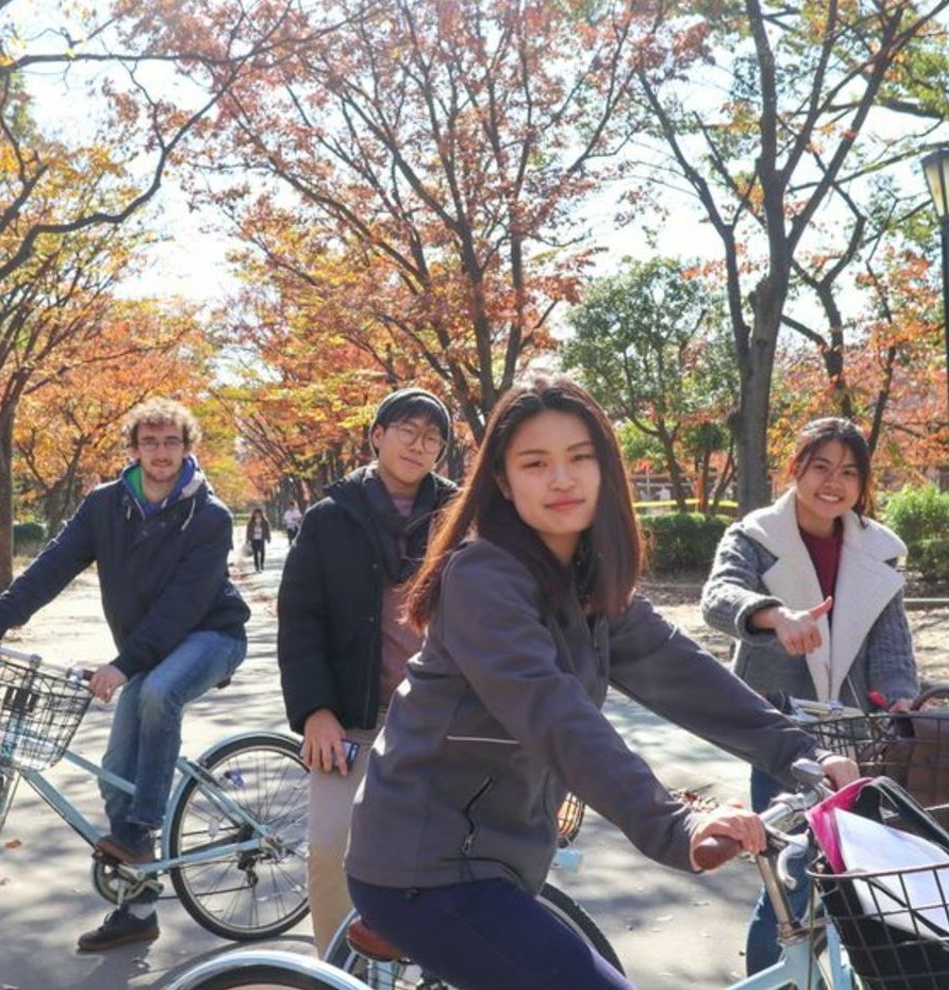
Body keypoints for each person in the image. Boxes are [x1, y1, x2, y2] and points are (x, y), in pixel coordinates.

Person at [344, 376, 857, 990]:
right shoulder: (482, 578)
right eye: (536, 463)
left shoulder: (589, 580)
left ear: (606, 471)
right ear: (503, 483)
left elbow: (683, 672)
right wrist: (674, 823)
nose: (562, 479)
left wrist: (802, 749)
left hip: (500, 858)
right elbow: (556, 716)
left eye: (580, 458)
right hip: (422, 865)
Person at [0, 398, 250, 953]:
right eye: (150, 442)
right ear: (133, 448)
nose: (161, 453)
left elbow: (183, 606)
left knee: (159, 693)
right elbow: (54, 564)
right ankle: (137, 908)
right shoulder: (105, 505)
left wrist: (124, 665)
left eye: (172, 442)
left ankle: (140, 832)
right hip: (146, 648)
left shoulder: (208, 515)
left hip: (211, 637)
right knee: (114, 777)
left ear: (188, 448)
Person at [701, 415, 918, 977]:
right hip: (780, 729)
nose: (833, 482)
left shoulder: (877, 548)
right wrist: (774, 616)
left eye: (848, 471)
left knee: (859, 876)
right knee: (791, 876)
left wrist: (897, 698)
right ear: (795, 468)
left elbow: (890, 641)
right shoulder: (755, 535)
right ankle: (769, 978)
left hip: (855, 731)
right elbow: (718, 597)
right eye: (820, 466)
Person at [277, 386, 458, 956]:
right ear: (377, 436)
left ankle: (427, 961)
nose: (418, 444)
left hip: (435, 717)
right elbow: (300, 620)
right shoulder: (331, 519)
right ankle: (337, 966)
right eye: (406, 429)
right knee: (330, 848)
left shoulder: (459, 515)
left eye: (431, 437)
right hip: (351, 718)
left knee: (438, 856)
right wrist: (316, 712)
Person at [246, 507, 271, 572]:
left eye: (258, 513)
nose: (257, 515)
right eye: (256, 514)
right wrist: (247, 539)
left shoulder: (264, 521)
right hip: (253, 539)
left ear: (261, 514)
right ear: (254, 514)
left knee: (262, 551)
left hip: (261, 538)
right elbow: (248, 531)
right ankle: (257, 566)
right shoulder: (251, 521)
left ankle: (262, 563)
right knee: (255, 553)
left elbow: (267, 530)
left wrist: (268, 538)